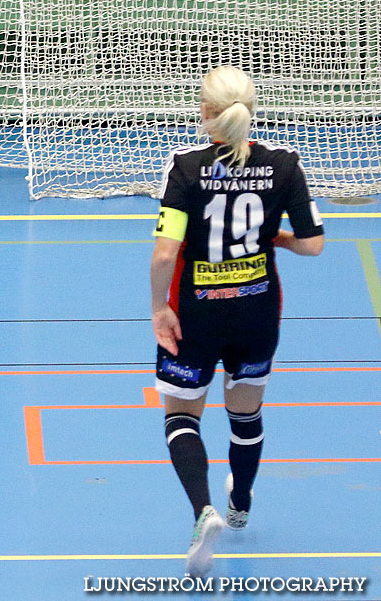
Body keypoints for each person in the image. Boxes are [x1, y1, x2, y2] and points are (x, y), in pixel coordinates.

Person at [150, 66, 324, 576]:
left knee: (181, 417)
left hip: (196, 311)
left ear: (205, 113)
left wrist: (159, 307)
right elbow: (313, 244)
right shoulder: (285, 165)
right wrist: (280, 239)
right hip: (257, 310)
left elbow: (165, 253)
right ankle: (240, 502)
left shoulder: (186, 167)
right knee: (244, 414)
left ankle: (204, 510)